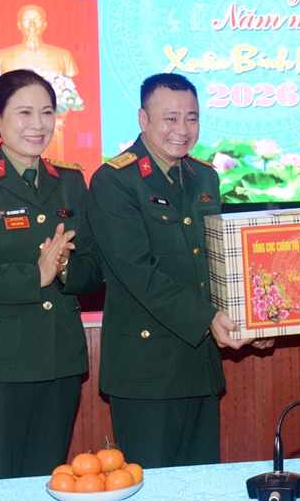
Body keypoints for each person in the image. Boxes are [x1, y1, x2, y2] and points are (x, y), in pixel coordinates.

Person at [87, 73, 269, 469]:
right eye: (170, 118)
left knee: (202, 483)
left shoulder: (205, 176)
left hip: (200, 364)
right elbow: (139, 272)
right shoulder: (114, 181)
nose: (182, 130)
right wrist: (209, 318)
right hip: (146, 371)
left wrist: (253, 318)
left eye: (192, 118)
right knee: (153, 486)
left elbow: (218, 262)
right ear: (143, 119)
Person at [0, 69, 103, 478]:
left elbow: (93, 268)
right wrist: (36, 275)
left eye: (46, 112)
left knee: (46, 481)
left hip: (57, 359)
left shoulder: (70, 180)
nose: (38, 124)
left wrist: (63, 269)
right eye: (24, 112)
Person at [0, 4, 78, 78]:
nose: (32, 24)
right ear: (19, 24)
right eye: (26, 20)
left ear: (44, 24)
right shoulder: (1, 57)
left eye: (37, 19)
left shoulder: (64, 56)